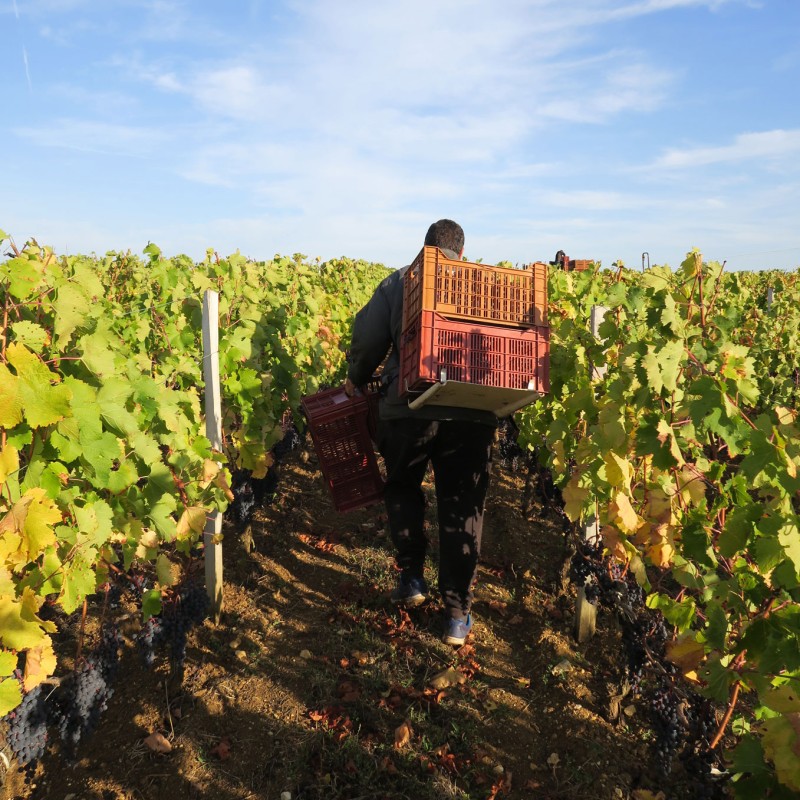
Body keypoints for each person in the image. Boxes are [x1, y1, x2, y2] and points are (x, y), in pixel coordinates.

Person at [345, 219, 497, 646]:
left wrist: (356, 376)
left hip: (406, 407)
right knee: (462, 503)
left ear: (425, 248)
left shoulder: (398, 283)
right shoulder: (486, 287)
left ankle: (412, 577)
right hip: (471, 412)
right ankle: (455, 614)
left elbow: (368, 341)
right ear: (462, 254)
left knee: (402, 487)